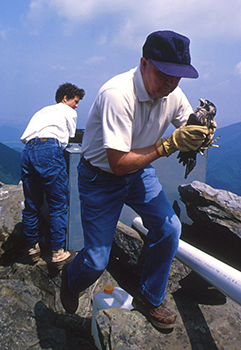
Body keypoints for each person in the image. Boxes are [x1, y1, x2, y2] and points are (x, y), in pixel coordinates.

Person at [60, 31, 216, 329]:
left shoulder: (171, 93)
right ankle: (71, 277)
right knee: (94, 260)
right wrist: (168, 144)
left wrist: (203, 132)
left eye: (178, 78)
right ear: (144, 63)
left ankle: (149, 296)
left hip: (139, 172)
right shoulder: (117, 94)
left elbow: (188, 127)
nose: (171, 83)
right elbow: (118, 164)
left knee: (170, 228)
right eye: (164, 74)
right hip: (101, 178)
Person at [21, 83, 85, 270]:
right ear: (65, 98)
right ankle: (58, 252)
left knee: (32, 203)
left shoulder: (42, 111)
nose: (77, 105)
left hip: (28, 152)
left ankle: (32, 248)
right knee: (58, 203)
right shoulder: (68, 111)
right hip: (49, 150)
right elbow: (71, 135)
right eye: (75, 101)